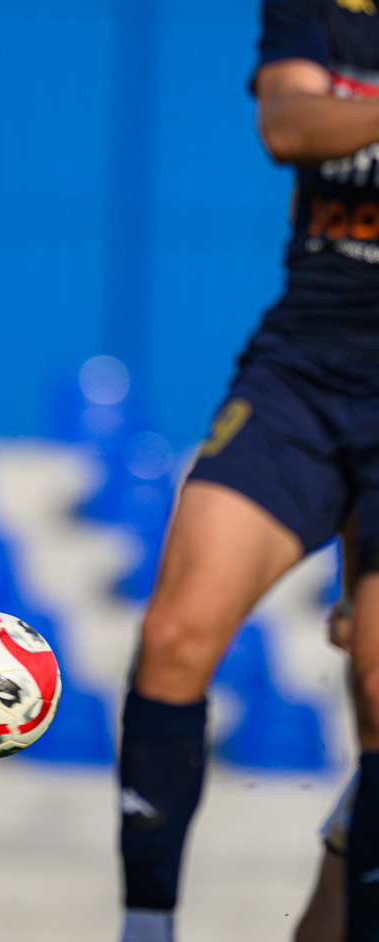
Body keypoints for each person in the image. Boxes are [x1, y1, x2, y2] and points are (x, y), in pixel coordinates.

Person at [117, 3, 379, 940]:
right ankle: (146, 925)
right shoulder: (322, 9)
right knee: (174, 635)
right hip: (303, 367)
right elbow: (289, 124)